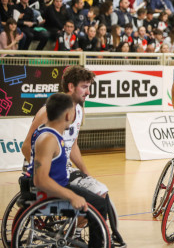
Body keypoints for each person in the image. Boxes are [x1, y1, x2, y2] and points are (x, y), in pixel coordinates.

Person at [22, 66, 125, 246]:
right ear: (71, 87)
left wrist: (85, 172)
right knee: (100, 196)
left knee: (99, 191)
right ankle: (82, 236)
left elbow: (73, 145)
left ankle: (75, 232)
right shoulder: (49, 112)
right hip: (48, 169)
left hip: (63, 167)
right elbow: (25, 146)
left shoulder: (78, 111)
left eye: (89, 87)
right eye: (84, 87)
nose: (88, 92)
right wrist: (45, 169)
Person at [27, 93, 107, 247]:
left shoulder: (49, 133)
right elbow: (40, 179)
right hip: (53, 193)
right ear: (68, 115)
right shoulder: (48, 139)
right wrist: (71, 196)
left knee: (99, 198)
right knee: (100, 204)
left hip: (58, 187)